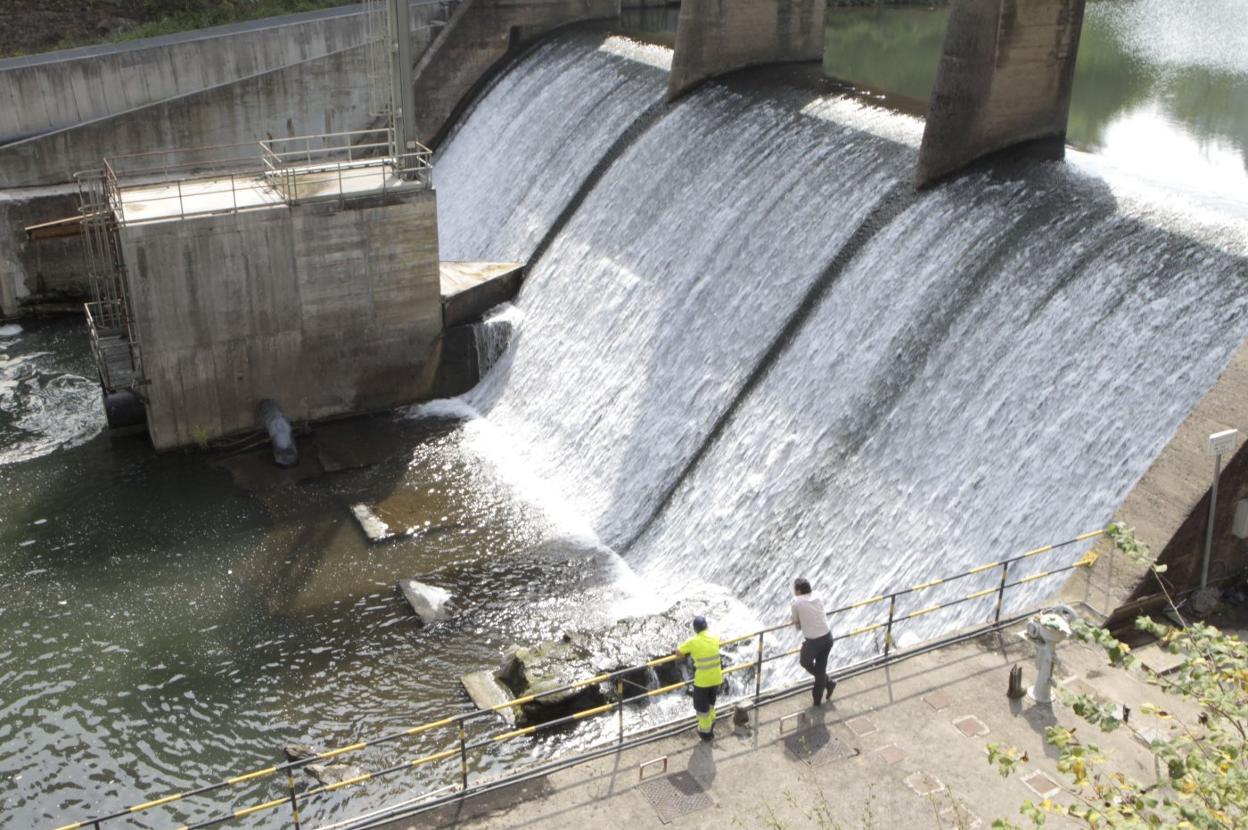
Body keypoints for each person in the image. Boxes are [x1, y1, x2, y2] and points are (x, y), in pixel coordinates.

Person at [674, 615, 723, 741]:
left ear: (695, 629)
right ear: (706, 626)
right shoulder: (715, 636)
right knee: (711, 703)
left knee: (702, 708)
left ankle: (705, 733)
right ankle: (712, 723)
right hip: (716, 677)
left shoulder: (693, 641)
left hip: (703, 681)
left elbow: (678, 652)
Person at [791, 577, 835, 706]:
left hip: (813, 642)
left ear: (798, 591)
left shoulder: (796, 602)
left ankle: (826, 685)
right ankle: (826, 685)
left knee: (805, 662)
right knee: (820, 668)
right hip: (827, 637)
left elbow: (798, 627)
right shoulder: (818, 594)